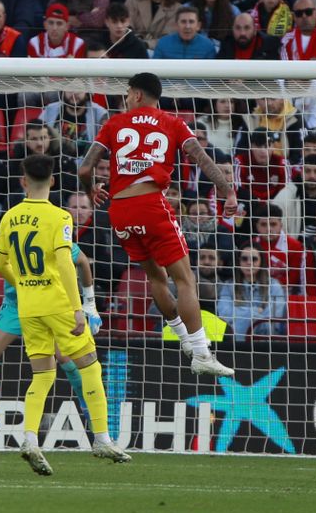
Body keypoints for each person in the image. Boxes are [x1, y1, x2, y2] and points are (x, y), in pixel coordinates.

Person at [78, 72, 238, 378]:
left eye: (127, 94)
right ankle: (202, 352)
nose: (126, 98)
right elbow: (202, 158)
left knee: (156, 276)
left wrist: (91, 191)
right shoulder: (173, 122)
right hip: (151, 205)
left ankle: (184, 340)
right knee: (185, 280)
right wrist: (226, 190)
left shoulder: (113, 123)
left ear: (137, 94)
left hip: (120, 210)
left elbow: (85, 168)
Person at [0, 152, 128, 476]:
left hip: (29, 307)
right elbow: (67, 263)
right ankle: (101, 438)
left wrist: (24, 285)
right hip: (57, 304)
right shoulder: (61, 217)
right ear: (52, 181)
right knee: (90, 367)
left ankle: (29, 438)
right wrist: (77, 307)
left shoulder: (10, 217)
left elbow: (0, 265)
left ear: (23, 181)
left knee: (42, 375)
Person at [0, 228, 102, 442]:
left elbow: (83, 261)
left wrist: (90, 304)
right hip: (16, 305)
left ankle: (89, 411)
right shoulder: (6, 236)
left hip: (52, 304)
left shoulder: (52, 233)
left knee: (66, 359)